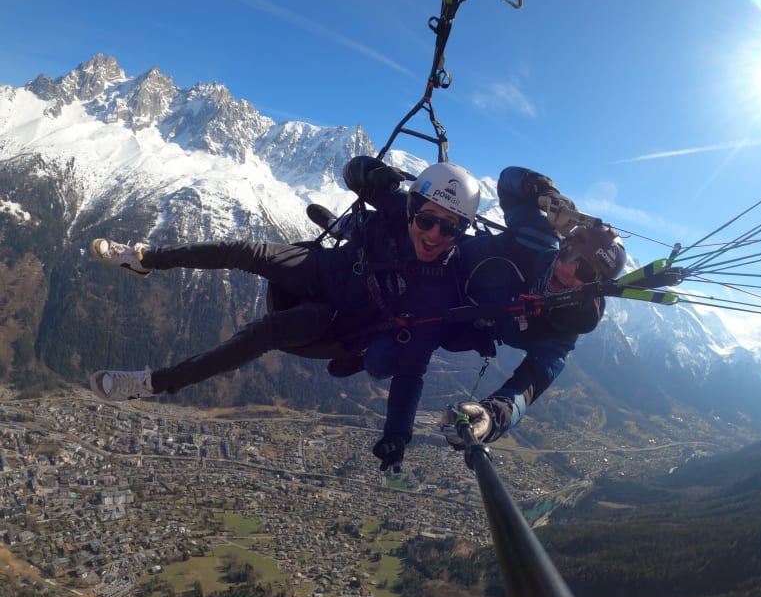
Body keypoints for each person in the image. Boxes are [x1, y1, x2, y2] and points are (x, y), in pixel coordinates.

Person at [87, 155, 481, 472]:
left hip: (335, 321)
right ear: (412, 209)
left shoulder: (437, 292)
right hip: (326, 266)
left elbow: (412, 373)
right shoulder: (397, 208)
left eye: (449, 230)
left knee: (265, 332)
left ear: (462, 232)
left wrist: (399, 435)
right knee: (245, 252)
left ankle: (152, 384)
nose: (433, 236)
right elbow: (354, 171)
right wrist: (367, 172)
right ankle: (141, 258)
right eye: (427, 220)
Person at [437, 166, 626, 448]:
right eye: (571, 253)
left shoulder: (563, 330)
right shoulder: (536, 237)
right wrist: (547, 194)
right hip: (435, 248)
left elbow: (529, 386)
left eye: (585, 271)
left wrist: (492, 416)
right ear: (563, 245)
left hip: (444, 312)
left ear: (595, 285)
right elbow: (509, 182)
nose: (569, 268)